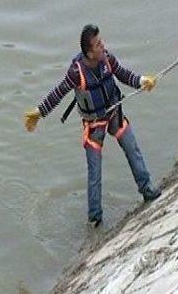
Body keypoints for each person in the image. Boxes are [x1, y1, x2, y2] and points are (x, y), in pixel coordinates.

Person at [24, 24, 161, 228]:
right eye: (98, 44)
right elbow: (57, 93)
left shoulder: (107, 58)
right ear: (89, 52)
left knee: (133, 149)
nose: (103, 46)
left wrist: (142, 81)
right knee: (94, 173)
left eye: (101, 41)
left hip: (114, 113)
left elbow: (123, 74)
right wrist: (40, 112)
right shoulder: (75, 72)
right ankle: (95, 219)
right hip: (94, 124)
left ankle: (148, 190)